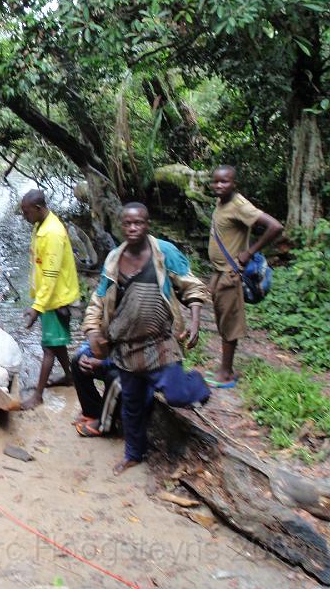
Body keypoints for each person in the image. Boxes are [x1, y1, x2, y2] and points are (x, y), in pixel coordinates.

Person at [82, 202, 210, 475]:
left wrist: (196, 320)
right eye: (127, 223)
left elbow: (191, 285)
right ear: (121, 225)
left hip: (160, 342)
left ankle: (198, 384)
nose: (132, 228)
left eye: (138, 223)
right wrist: (93, 331)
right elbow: (99, 299)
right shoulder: (114, 259)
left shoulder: (164, 253)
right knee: (132, 405)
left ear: (147, 224)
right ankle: (133, 454)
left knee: (176, 394)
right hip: (126, 348)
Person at [208, 165, 283, 387]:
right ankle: (224, 367)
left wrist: (249, 252)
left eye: (225, 181)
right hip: (218, 272)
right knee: (223, 318)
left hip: (231, 274)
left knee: (230, 322)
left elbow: (275, 227)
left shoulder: (239, 205)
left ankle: (227, 374)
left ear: (234, 184)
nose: (219, 185)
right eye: (216, 181)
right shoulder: (220, 201)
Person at [19, 189, 80, 410]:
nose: (24, 217)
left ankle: (38, 396)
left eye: (26, 213)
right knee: (57, 342)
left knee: (49, 348)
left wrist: (37, 307)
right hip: (49, 298)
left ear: (38, 208)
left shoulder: (52, 232)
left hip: (55, 299)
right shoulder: (40, 226)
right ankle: (70, 377)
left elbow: (51, 276)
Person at [71, 341, 122, 438]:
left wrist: (102, 363)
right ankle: (92, 412)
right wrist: (85, 354)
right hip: (113, 359)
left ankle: (104, 425)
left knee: (114, 377)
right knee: (77, 361)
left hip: (131, 368)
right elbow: (90, 341)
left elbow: (131, 360)